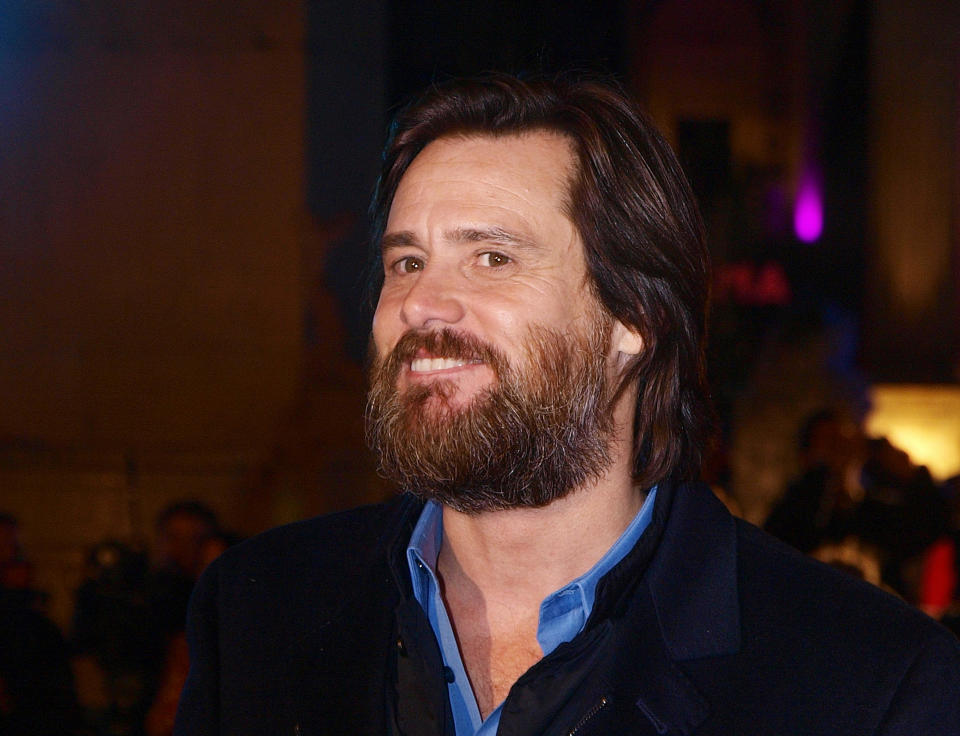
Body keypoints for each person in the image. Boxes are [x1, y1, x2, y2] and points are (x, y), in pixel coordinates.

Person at [174, 75, 960, 735]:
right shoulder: (256, 610)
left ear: (637, 319)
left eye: (491, 257)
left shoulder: (865, 681)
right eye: (406, 260)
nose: (421, 304)